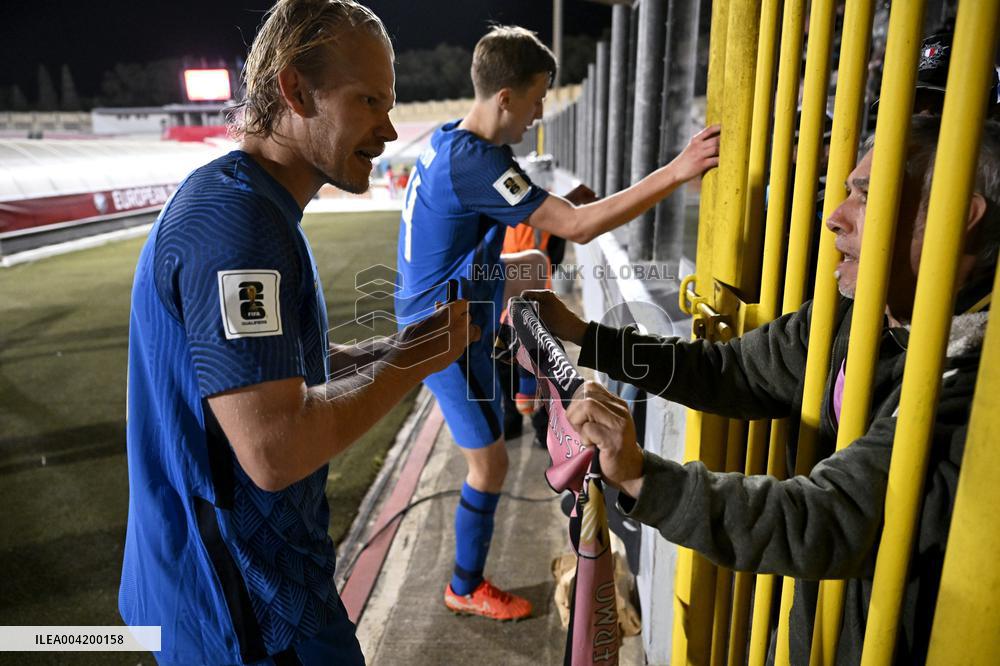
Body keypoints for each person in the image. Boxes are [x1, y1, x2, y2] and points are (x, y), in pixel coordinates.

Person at [526, 115, 998, 663]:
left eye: (865, 198)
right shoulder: (860, 313)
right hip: (824, 628)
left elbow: (831, 517)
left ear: (959, 216)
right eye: (845, 191)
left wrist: (641, 475)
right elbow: (733, 371)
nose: (833, 217)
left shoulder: (975, 382)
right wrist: (585, 335)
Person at [121, 1, 478, 663]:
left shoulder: (250, 204)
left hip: (241, 601)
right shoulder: (239, 226)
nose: (389, 128)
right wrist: (412, 363)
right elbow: (274, 447)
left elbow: (279, 376)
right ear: (294, 89)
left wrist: (395, 348)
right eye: (369, 100)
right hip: (249, 618)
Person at [393, 24, 720, 621]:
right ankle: (464, 587)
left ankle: (518, 391)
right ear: (505, 97)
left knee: (533, 267)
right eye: (539, 95)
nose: (542, 110)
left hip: (449, 313)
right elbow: (578, 224)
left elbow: (473, 244)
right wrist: (677, 171)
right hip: (438, 336)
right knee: (489, 466)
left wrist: (507, 276)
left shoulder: (451, 144)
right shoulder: (477, 163)